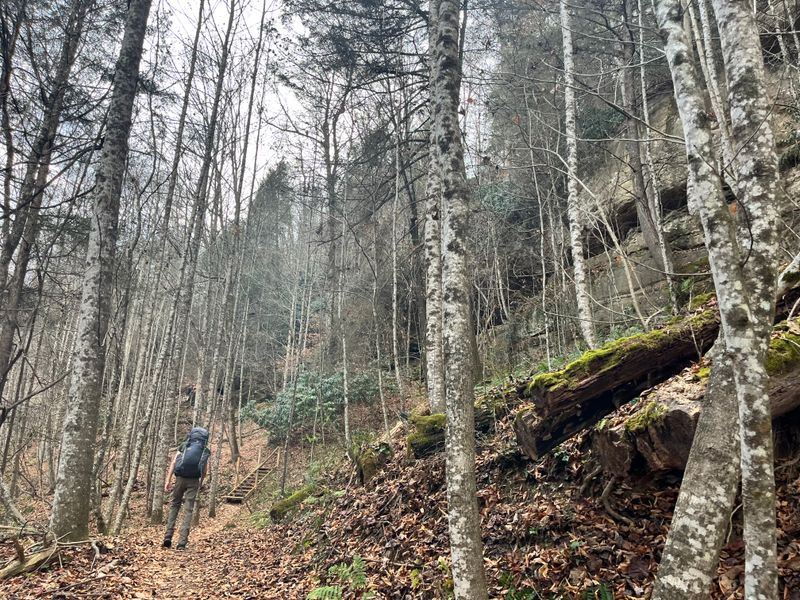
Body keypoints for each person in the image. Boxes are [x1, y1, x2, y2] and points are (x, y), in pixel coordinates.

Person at [163, 426, 211, 550]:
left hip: (180, 478)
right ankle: (182, 543)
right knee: (188, 510)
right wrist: (200, 483)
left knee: (175, 505)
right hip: (194, 480)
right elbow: (204, 471)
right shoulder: (205, 450)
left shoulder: (184, 445)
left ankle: (168, 536)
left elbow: (174, 463)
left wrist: (168, 480)